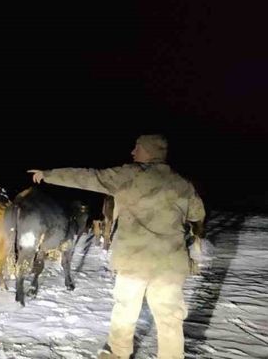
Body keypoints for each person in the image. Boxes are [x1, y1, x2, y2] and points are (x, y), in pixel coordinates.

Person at [28, 134, 205, 359]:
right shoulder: (181, 183)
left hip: (134, 260)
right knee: (170, 319)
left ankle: (118, 354)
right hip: (169, 263)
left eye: (137, 148)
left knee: (125, 312)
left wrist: (48, 175)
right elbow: (197, 214)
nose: (132, 152)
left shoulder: (127, 176)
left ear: (149, 152)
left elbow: (87, 177)